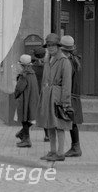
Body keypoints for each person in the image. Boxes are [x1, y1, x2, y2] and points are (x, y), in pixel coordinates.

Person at [37, 33, 73, 162]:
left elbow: (67, 84)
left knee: (59, 125)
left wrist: (65, 102)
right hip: (47, 95)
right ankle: (52, 151)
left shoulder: (64, 61)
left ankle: (60, 152)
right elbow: (44, 79)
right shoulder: (48, 60)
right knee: (49, 124)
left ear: (58, 46)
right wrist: (42, 94)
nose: (50, 48)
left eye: (53, 45)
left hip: (57, 96)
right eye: (48, 46)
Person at [60, 35, 83, 157]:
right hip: (74, 95)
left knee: (71, 122)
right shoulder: (75, 60)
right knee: (72, 121)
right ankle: (75, 146)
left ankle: (76, 147)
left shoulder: (68, 62)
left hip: (70, 94)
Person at [14, 54, 39, 147]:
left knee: (24, 119)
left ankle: (26, 139)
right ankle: (23, 134)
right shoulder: (32, 73)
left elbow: (19, 88)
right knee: (30, 118)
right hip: (33, 99)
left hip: (25, 100)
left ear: (22, 65)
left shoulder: (24, 74)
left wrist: (15, 94)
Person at [31, 46, 49, 142]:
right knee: (45, 114)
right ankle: (47, 135)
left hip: (35, 93)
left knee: (30, 114)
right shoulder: (47, 66)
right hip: (45, 93)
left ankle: (24, 134)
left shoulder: (32, 68)